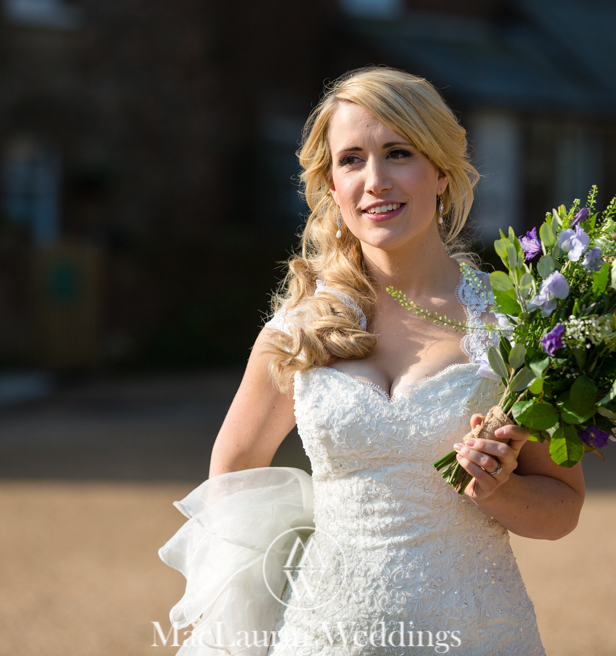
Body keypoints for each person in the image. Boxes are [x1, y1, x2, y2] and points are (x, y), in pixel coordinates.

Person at [159, 67, 585, 656]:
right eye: (352, 159)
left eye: (398, 153)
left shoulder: (514, 327)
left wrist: (498, 491)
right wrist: (244, 625)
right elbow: (232, 477)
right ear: (331, 185)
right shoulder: (297, 333)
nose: (375, 181)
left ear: (440, 172)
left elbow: (562, 508)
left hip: (479, 636)